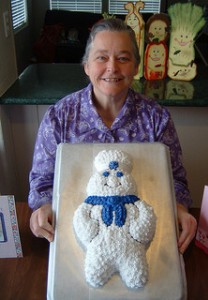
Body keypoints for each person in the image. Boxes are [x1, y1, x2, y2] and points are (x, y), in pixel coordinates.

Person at [29, 18, 197, 253]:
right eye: (101, 57)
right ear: (86, 65)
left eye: (123, 58)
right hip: (74, 237)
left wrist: (180, 209)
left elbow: (176, 180)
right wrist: (44, 208)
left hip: (143, 238)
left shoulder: (157, 118)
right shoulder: (59, 117)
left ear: (136, 67)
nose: (112, 68)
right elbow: (42, 180)